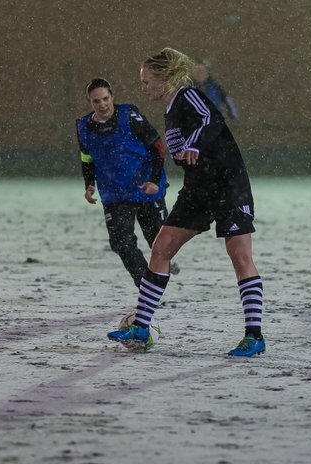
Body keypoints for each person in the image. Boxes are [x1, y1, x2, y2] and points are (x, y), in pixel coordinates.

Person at [107, 47, 265, 357]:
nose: (144, 88)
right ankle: (142, 324)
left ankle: (254, 336)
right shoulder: (169, 108)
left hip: (227, 182)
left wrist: (194, 145)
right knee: (162, 248)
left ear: (165, 78)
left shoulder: (187, 95)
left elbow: (210, 119)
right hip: (198, 187)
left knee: (239, 255)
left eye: (147, 81)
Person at [76, 78, 177, 287]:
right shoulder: (83, 126)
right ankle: (146, 286)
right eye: (97, 101)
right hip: (115, 193)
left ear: (112, 97)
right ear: (89, 102)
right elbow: (86, 156)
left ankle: (163, 266)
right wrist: (89, 183)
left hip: (146, 189)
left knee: (159, 243)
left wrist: (154, 180)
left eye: (105, 99)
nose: (102, 104)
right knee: (121, 243)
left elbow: (157, 146)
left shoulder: (129, 116)